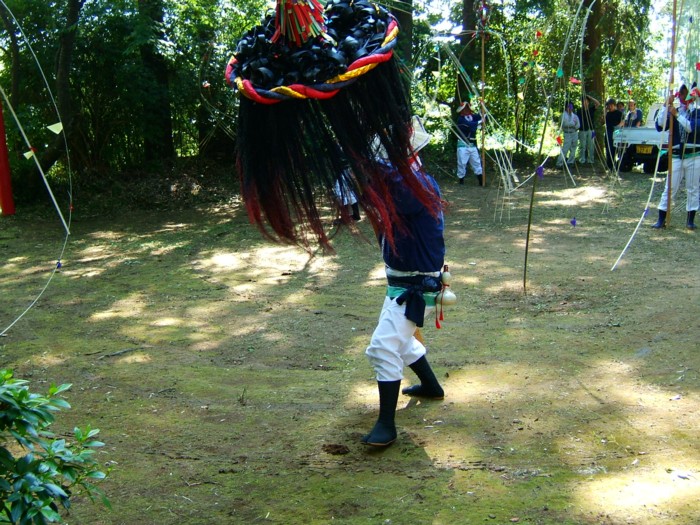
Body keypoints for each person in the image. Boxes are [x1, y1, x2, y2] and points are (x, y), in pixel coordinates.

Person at [362, 131, 447, 448]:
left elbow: (390, 187)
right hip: (403, 282)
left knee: (383, 346)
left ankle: (387, 425)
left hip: (414, 286)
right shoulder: (413, 179)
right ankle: (430, 385)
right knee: (401, 337)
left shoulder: (416, 185)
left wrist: (363, 163)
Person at [651, 90, 700, 230]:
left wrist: (677, 115)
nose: (684, 98)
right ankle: (661, 219)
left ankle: (690, 220)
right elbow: (660, 125)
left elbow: (692, 128)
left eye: (687, 95)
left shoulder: (697, 112)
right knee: (670, 187)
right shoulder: (674, 110)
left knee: (693, 187)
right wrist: (666, 105)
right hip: (677, 155)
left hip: (694, 155)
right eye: (682, 95)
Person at [455, 100, 484, 186]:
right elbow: (470, 125)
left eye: (468, 108)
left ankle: (481, 181)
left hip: (472, 145)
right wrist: (480, 121)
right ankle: (461, 182)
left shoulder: (472, 117)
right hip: (463, 145)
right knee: (462, 163)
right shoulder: (461, 119)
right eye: (465, 108)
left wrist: (482, 107)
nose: (466, 110)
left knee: (476, 162)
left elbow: (481, 116)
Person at [577, 94, 600, 164]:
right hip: (582, 130)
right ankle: (582, 160)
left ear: (588, 102)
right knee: (582, 146)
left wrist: (590, 97)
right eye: (583, 101)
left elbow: (598, 103)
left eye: (586, 101)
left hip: (591, 130)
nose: (585, 102)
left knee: (591, 146)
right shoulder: (579, 111)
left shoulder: (591, 109)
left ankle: (591, 160)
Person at [557, 102, 580, 167]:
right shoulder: (563, 115)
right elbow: (564, 124)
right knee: (565, 148)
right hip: (567, 133)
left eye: (571, 107)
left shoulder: (575, 116)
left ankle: (570, 162)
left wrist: (574, 126)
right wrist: (572, 125)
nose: (570, 109)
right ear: (566, 108)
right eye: (568, 107)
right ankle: (560, 163)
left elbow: (578, 125)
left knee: (573, 148)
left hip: (574, 133)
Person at [605, 98, 624, 170]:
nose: (610, 107)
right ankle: (609, 164)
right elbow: (602, 121)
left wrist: (618, 127)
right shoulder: (607, 114)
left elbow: (623, 122)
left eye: (611, 105)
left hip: (616, 131)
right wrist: (604, 112)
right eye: (608, 106)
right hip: (608, 131)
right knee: (608, 148)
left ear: (614, 105)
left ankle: (614, 164)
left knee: (614, 148)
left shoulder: (619, 113)